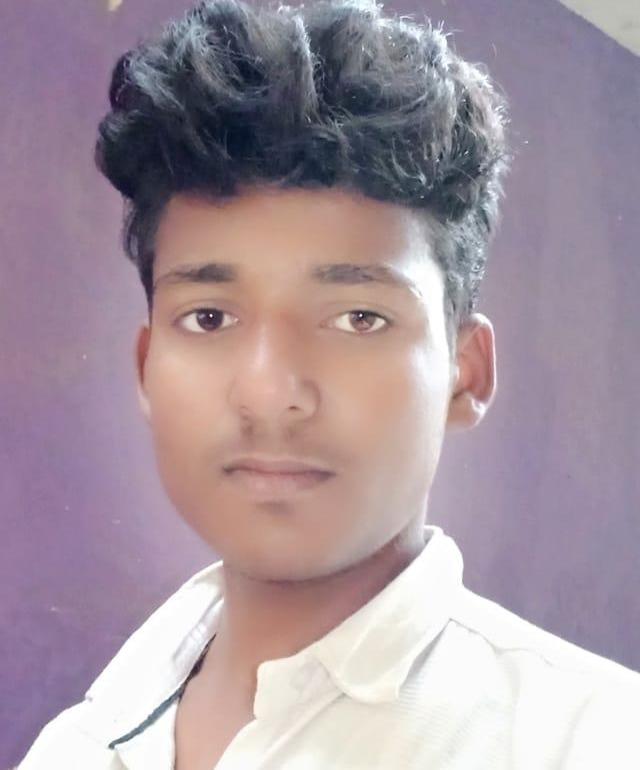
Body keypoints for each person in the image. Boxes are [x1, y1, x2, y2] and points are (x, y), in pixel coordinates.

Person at [18, 0, 640, 768]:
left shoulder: (599, 740)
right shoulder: (75, 747)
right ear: (147, 368)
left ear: (465, 373)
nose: (270, 392)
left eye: (358, 318)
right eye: (210, 318)